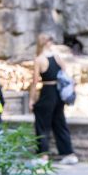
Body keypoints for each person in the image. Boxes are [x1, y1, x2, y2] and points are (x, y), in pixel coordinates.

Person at [30, 34, 77, 164]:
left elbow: (34, 82)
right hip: (58, 93)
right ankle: (68, 153)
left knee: (42, 124)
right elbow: (64, 70)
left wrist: (31, 99)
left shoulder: (39, 59)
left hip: (47, 92)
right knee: (60, 123)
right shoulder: (56, 57)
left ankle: (43, 156)